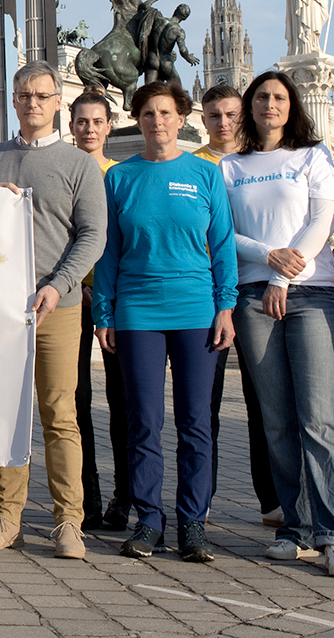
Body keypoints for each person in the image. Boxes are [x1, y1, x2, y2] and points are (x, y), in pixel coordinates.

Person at [221, 71, 334, 579]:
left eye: (279, 97)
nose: (270, 105)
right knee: (277, 419)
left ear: (292, 104)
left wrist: (285, 276)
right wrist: (267, 258)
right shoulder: (230, 166)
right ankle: (294, 528)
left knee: (319, 420)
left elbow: (320, 223)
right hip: (252, 293)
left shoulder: (313, 156)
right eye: (261, 97)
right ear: (249, 107)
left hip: (312, 295)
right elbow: (226, 232)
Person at [94, 80, 237, 562]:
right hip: (137, 312)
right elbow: (110, 251)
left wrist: (226, 307)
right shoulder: (119, 176)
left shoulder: (204, 173)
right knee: (144, 423)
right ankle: (148, 519)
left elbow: (222, 245)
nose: (158, 121)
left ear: (182, 118)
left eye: (166, 112)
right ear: (138, 120)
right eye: (149, 113)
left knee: (197, 423)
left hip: (196, 310)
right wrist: (105, 312)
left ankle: (193, 522)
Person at [0, 62, 107, 559]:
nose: (32, 102)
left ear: (57, 104)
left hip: (59, 305)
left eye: (42, 95)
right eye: (24, 94)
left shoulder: (78, 164)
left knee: (59, 413)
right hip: (3, 307)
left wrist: (59, 285)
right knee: (9, 414)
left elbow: (93, 234)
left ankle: (69, 520)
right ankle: (7, 516)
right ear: (13, 98)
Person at [196, 83, 283, 531]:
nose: (224, 123)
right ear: (203, 118)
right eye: (214, 115)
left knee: (261, 400)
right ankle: (200, 501)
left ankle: (272, 499)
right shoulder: (195, 165)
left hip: (250, 290)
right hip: (205, 297)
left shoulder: (256, 164)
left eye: (231, 114)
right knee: (202, 406)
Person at [70, 90, 128, 533]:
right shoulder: (64, 170)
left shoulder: (120, 175)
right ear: (70, 127)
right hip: (71, 297)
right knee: (77, 403)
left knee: (122, 402)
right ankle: (86, 500)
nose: (89, 129)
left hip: (115, 300)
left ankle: (124, 499)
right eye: (81, 121)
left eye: (97, 122)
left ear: (109, 126)